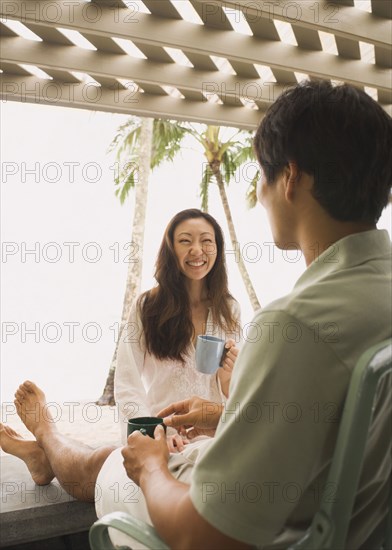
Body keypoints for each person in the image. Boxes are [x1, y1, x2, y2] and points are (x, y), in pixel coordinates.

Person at [1, 80, 391, 549]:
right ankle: (50, 445)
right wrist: (225, 415)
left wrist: (149, 466)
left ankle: (47, 435)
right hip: (329, 521)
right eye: (186, 240)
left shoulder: (294, 324)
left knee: (102, 462)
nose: (260, 194)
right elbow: (329, 426)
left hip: (252, 525)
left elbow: (201, 536)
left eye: (259, 176)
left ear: (290, 178)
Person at [114, 208, 241, 446]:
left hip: (212, 440)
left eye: (206, 241)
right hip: (160, 437)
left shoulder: (230, 309)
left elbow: (233, 394)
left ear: (218, 249)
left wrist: (231, 375)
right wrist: (152, 435)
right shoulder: (147, 306)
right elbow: (127, 381)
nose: (197, 250)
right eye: (185, 241)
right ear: (171, 249)